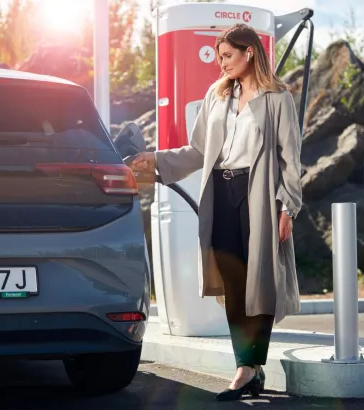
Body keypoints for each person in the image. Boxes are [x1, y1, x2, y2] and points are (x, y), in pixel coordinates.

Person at [128, 23, 303, 402]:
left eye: (227, 56)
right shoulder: (217, 95)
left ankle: (247, 368)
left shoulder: (278, 99)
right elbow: (196, 152)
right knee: (233, 280)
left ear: (249, 52)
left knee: (261, 282)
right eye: (219, 56)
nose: (221, 63)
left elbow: (291, 159)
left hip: (258, 195)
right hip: (220, 193)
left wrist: (288, 206)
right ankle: (249, 368)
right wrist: (155, 161)